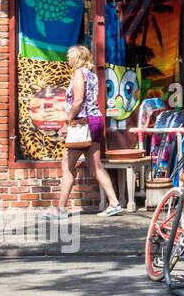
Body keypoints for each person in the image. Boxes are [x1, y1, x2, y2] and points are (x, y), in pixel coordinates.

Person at [41, 45, 123, 219]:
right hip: (94, 121)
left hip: (81, 123)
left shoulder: (79, 73)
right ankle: (114, 203)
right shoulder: (92, 75)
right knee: (95, 166)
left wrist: (67, 122)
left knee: (67, 165)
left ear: (77, 58)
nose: (68, 60)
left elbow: (78, 100)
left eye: (70, 57)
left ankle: (61, 209)